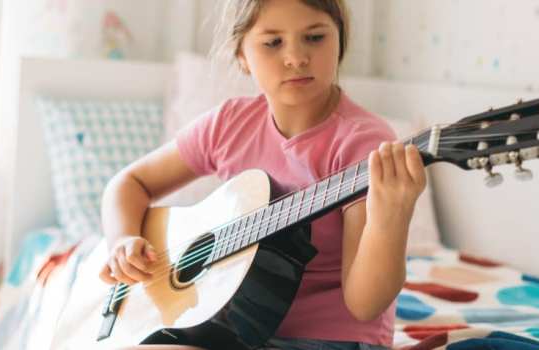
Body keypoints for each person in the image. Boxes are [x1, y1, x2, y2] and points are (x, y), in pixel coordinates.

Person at [98, 0, 427, 349]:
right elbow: (128, 183)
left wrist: (391, 218)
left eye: (315, 38)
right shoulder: (229, 124)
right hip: (228, 328)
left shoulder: (364, 143)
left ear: (340, 41)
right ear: (241, 54)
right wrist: (121, 240)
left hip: (330, 338)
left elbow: (365, 305)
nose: (297, 57)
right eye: (273, 42)